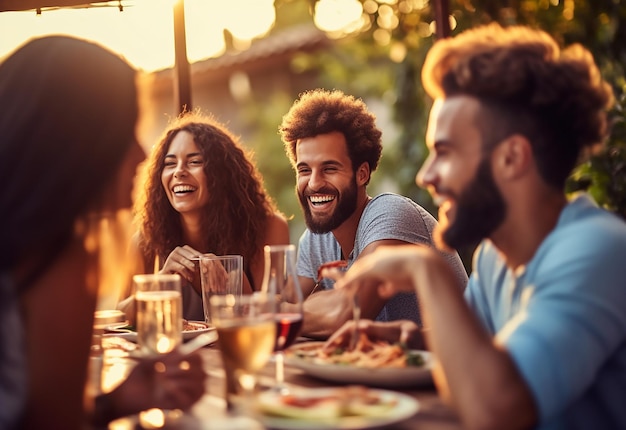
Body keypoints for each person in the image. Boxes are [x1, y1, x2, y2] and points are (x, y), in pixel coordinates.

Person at [323, 24, 626, 430]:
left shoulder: (599, 250)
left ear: (512, 158)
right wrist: (404, 339)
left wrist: (423, 268)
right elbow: (478, 352)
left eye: (444, 152)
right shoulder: (495, 257)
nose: (426, 175)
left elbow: (496, 407)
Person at [0, 36, 205, 430]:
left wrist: (115, 402)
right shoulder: (54, 258)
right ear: (78, 143)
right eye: (124, 131)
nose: (145, 155)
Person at [279, 88, 467, 338]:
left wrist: (300, 311)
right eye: (304, 170)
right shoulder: (317, 238)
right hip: (373, 372)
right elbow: (283, 306)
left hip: (450, 372)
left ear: (362, 174)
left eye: (329, 168)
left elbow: (346, 313)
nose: (314, 183)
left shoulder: (391, 214)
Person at [119, 112, 290, 322]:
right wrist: (160, 283)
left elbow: (275, 317)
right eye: (170, 164)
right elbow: (120, 314)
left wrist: (227, 284)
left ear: (222, 173)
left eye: (194, 161)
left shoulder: (268, 228)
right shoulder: (147, 239)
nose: (178, 172)